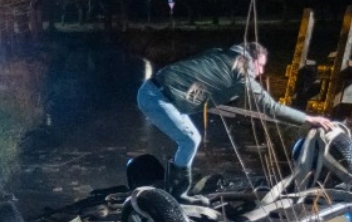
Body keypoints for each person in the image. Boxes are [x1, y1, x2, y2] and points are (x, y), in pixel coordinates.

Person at [136, 41, 336, 203]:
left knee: (192, 138)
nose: (261, 72)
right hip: (156, 97)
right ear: (252, 59)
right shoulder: (242, 74)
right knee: (189, 140)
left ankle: (175, 190)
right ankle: (177, 195)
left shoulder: (221, 54)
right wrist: (309, 118)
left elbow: (204, 77)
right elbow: (272, 108)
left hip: (158, 92)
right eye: (261, 65)